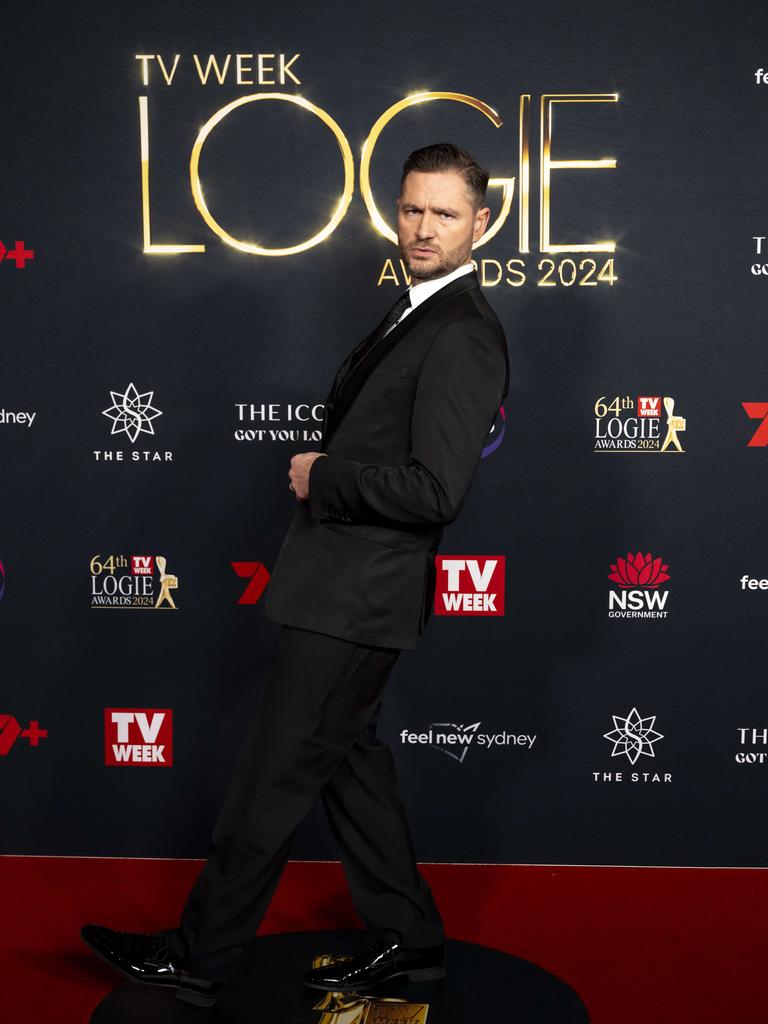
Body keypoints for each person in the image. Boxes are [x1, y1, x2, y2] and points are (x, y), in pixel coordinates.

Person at [81, 143, 510, 1008]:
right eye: (413, 209)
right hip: (344, 588)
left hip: (357, 598)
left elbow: (436, 491)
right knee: (349, 767)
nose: (424, 228)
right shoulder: (415, 309)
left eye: (446, 214)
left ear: (483, 223)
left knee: (269, 784)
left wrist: (326, 476)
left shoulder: (463, 331)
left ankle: (199, 957)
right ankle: (410, 939)